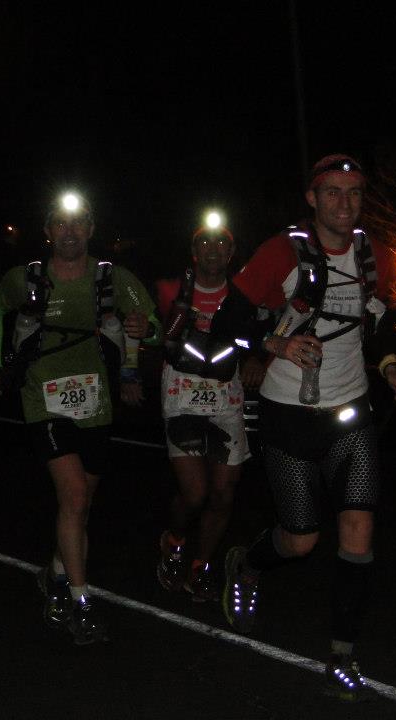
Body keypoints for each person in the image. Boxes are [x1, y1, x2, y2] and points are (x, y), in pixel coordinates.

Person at [220, 155, 396, 701]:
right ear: (312, 197)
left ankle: (342, 655)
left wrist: (391, 367)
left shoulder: (376, 256)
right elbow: (228, 323)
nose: (344, 203)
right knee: (301, 539)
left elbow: (379, 327)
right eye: (333, 192)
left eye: (354, 193)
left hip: (350, 412)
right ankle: (248, 562)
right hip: (287, 411)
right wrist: (276, 344)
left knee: (358, 528)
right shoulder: (282, 252)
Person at [0, 191, 161, 645]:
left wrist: (146, 329)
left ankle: (57, 570)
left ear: (91, 229)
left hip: (95, 403)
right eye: (60, 223)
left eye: (78, 222)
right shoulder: (26, 279)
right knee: (75, 495)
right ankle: (78, 601)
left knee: (80, 505)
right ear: (47, 231)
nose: (69, 231)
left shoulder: (112, 278)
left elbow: (154, 324)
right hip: (41, 398)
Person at [154, 220, 266, 602]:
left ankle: (200, 566)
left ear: (231, 253)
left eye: (222, 243)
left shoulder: (245, 295)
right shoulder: (169, 289)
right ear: (193, 251)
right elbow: (150, 329)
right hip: (181, 392)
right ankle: (174, 541)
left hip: (226, 394)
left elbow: (261, 335)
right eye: (205, 243)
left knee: (223, 494)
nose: (213, 250)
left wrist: (256, 359)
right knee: (195, 493)